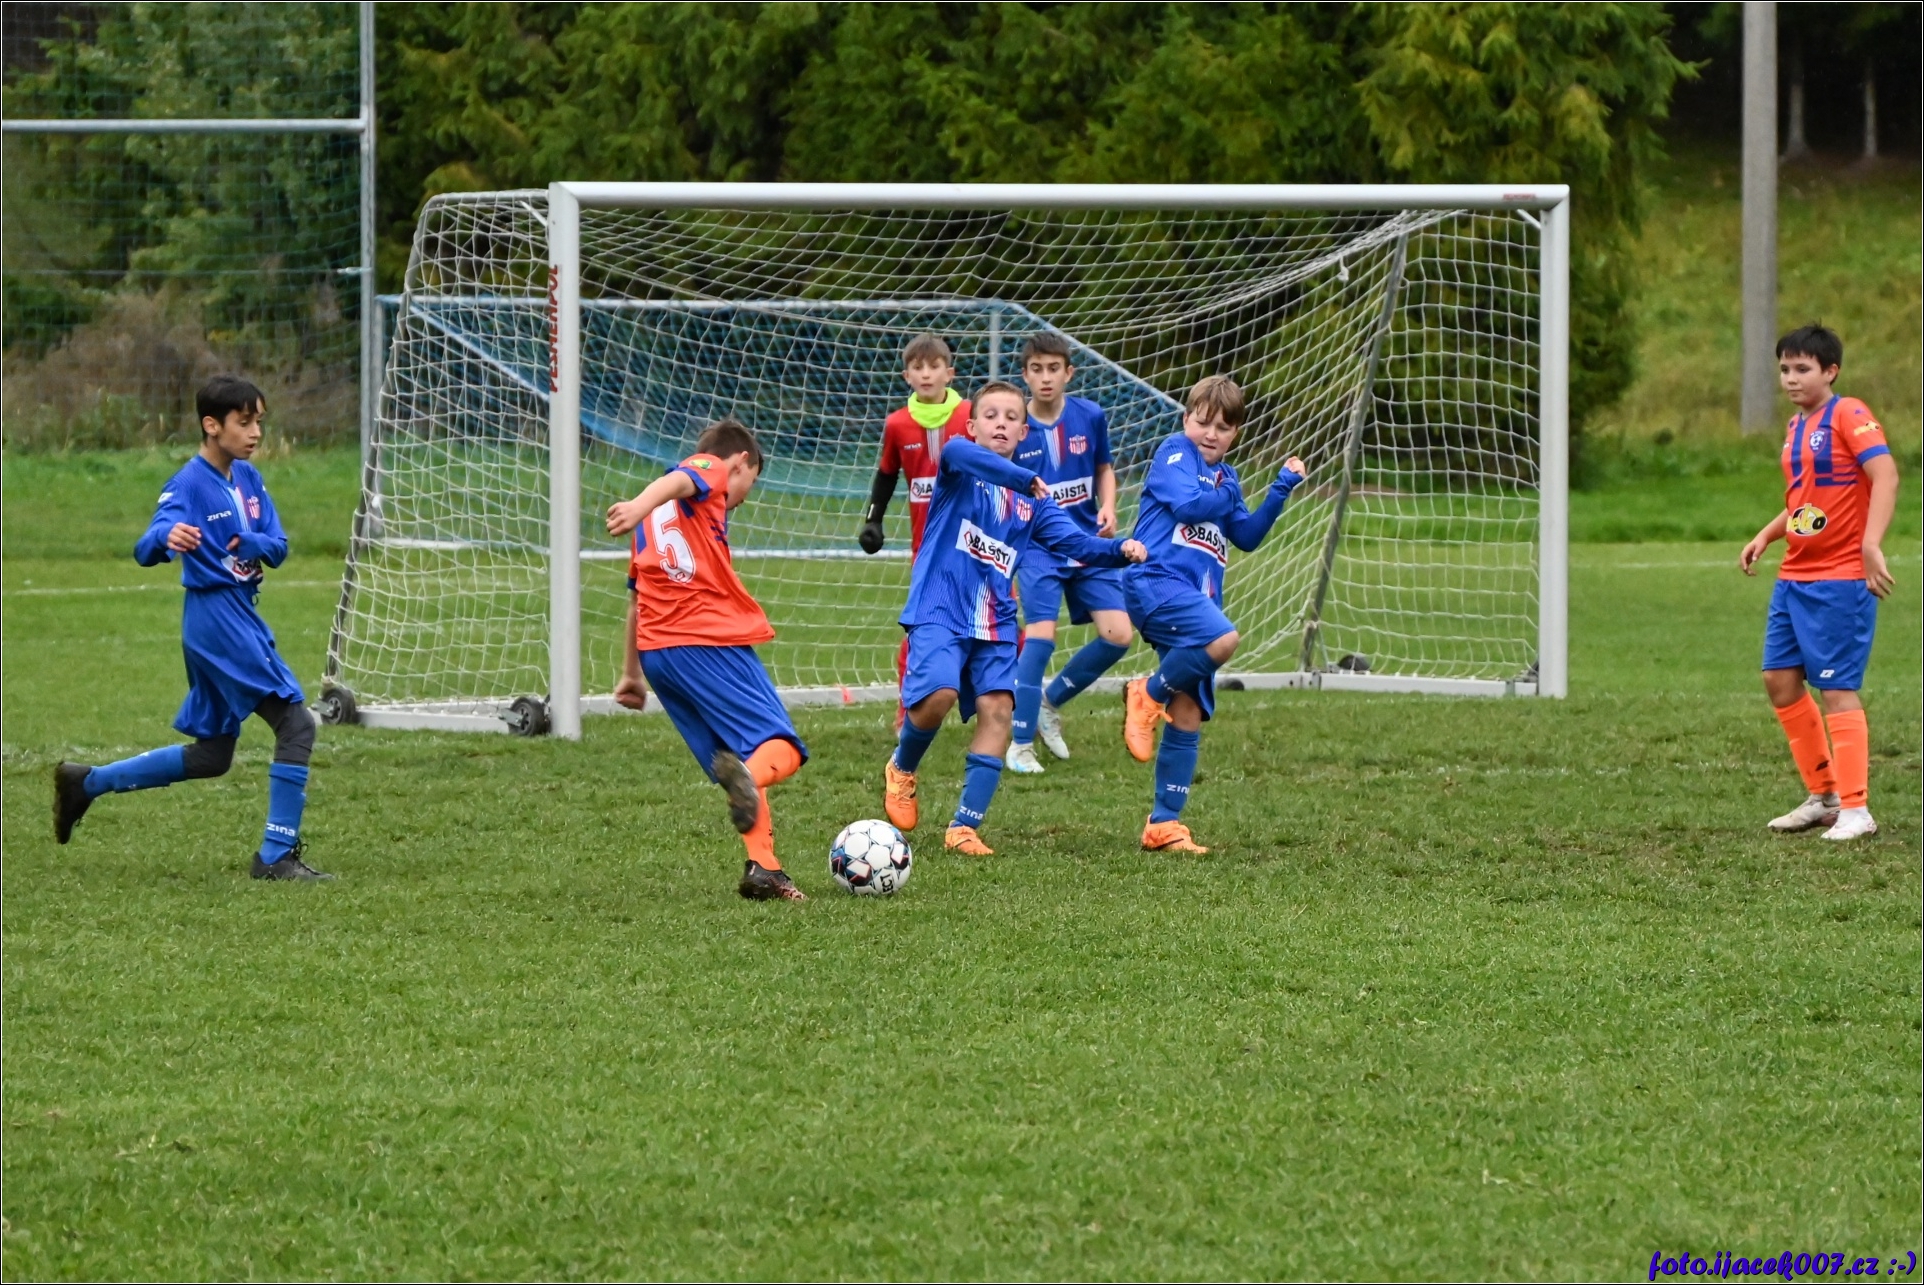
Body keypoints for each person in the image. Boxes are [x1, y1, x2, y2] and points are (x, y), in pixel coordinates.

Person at [53, 375, 328, 880]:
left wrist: (254, 543)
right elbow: (146, 546)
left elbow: (279, 545)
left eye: (259, 422)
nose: (255, 433)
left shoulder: (249, 479)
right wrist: (167, 537)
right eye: (244, 422)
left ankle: (85, 783)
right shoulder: (188, 483)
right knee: (296, 724)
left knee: (213, 756)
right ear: (211, 425)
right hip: (215, 618)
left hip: (238, 613)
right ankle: (275, 857)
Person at [883, 381, 1147, 855]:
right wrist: (1023, 478)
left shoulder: (1035, 500)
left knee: (999, 712)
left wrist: (1118, 550)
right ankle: (902, 768)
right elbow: (965, 457)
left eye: (1011, 418)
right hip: (940, 607)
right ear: (972, 426)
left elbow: (1076, 543)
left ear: (1024, 433)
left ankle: (964, 827)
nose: (1001, 424)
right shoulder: (959, 462)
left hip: (996, 619)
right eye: (991, 416)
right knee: (939, 694)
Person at [607, 419, 810, 900]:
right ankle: (749, 784)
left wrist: (631, 674)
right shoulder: (711, 468)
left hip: (658, 655)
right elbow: (687, 475)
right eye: (749, 483)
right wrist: (637, 503)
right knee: (781, 749)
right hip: (707, 640)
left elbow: (636, 599)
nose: (739, 498)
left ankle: (765, 868)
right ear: (741, 463)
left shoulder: (653, 524)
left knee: (739, 758)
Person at [1121, 375, 1306, 854]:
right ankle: (1146, 692)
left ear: (1235, 433)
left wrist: (1280, 489)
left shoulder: (1229, 478)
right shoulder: (1175, 452)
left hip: (1194, 600)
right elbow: (1187, 506)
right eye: (1203, 422)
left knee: (1187, 712)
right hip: (1157, 581)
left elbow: (1246, 536)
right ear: (1187, 419)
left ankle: (1163, 824)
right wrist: (1227, 496)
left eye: (1223, 428)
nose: (1210, 433)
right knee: (1224, 640)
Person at [1740, 324, 1898, 842]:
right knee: (1779, 680)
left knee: (1836, 687)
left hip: (1839, 579)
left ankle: (1856, 809)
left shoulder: (1849, 413)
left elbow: (1886, 475)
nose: (1791, 378)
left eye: (1802, 368)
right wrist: (1767, 534)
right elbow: (1803, 500)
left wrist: (1871, 544)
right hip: (1795, 576)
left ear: (1830, 371)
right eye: (1784, 368)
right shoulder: (1795, 425)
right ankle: (1824, 796)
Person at [1005, 332, 1135, 775]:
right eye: (1036, 369)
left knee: (1118, 635)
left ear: (1069, 373)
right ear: (1025, 376)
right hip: (1039, 549)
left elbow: (1104, 468)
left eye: (1053, 369)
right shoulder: (1016, 425)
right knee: (1040, 639)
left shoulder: (1090, 415)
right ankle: (1020, 744)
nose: (1045, 377)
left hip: (1087, 544)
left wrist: (1108, 504)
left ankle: (1050, 702)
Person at [857, 333, 974, 724]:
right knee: (922, 628)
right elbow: (886, 475)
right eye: (917, 367)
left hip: (977, 544)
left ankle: (1020, 699)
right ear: (907, 376)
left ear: (949, 373)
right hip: (927, 548)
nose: (926, 374)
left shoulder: (971, 416)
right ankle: (906, 706)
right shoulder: (897, 424)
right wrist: (873, 519)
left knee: (999, 621)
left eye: (934, 366)